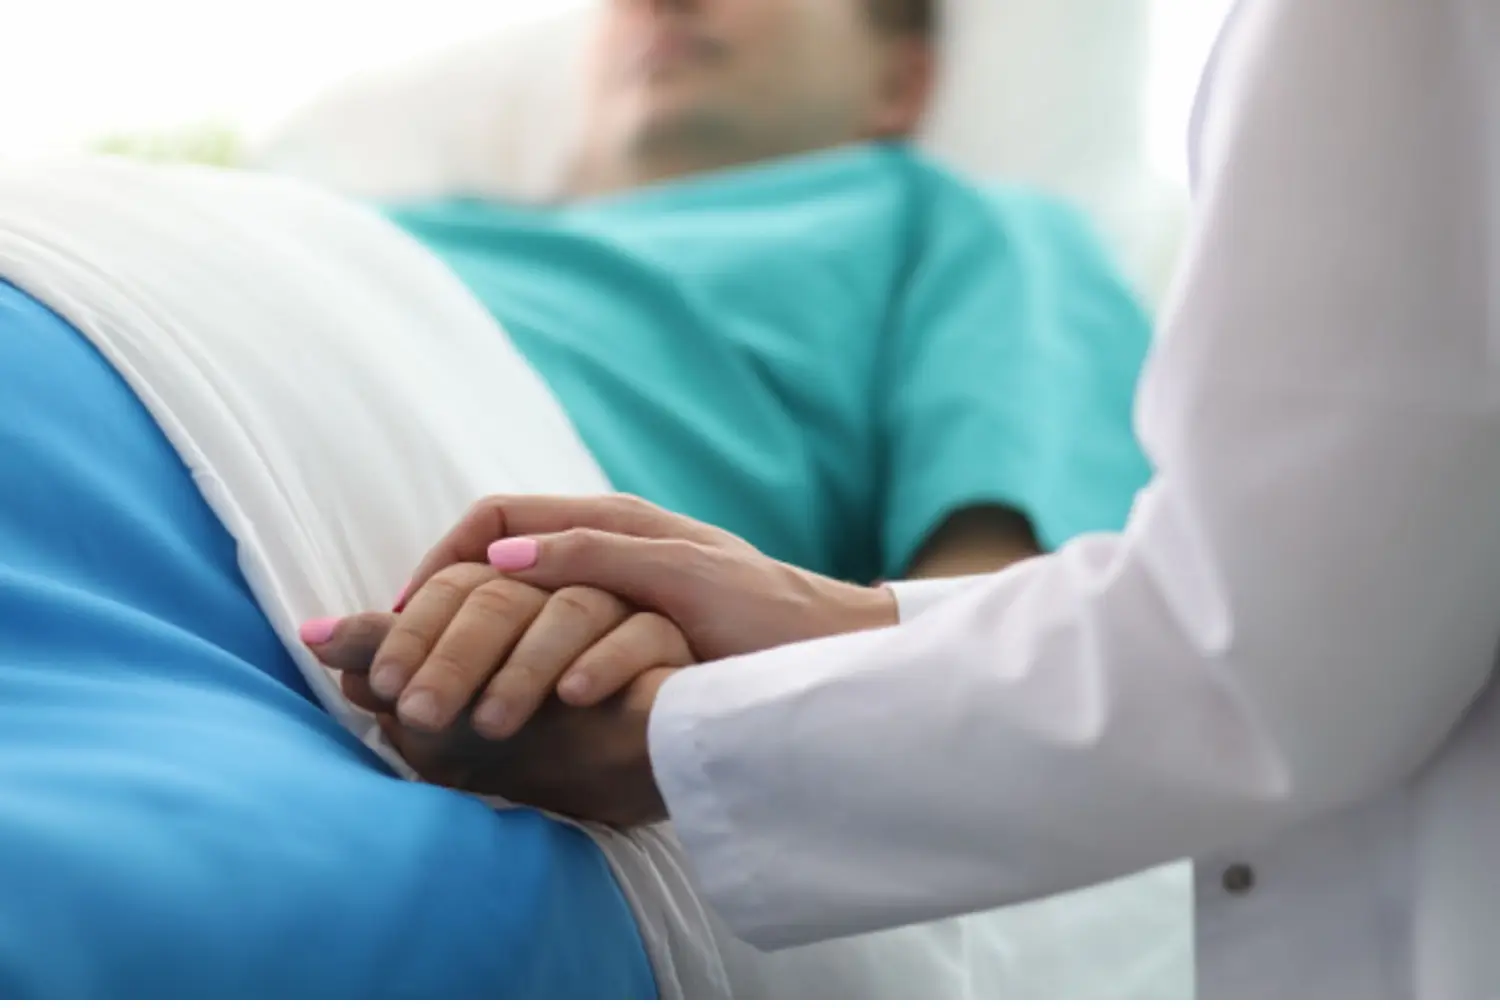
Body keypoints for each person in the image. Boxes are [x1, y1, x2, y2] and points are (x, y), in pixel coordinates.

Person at [318, 0, 1500, 997]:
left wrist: (689, 711)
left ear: (900, 77)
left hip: (416, 555)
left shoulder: (968, 230)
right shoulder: (373, 224)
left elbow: (1016, 613)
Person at [385, 0, 1152, 598]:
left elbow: (1002, 633)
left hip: (435, 543)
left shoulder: (968, 227)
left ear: (900, 81)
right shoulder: (417, 220)